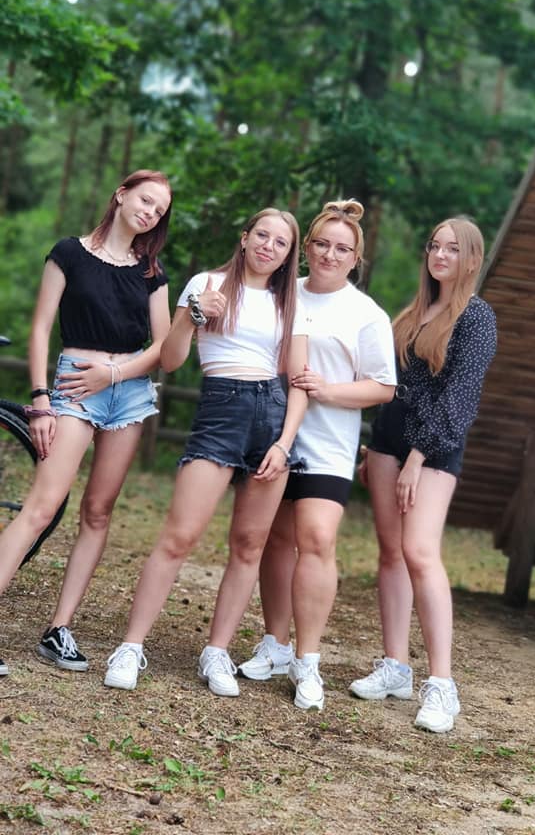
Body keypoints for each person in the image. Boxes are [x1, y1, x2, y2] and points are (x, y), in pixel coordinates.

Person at [104, 207, 309, 695]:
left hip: (273, 416)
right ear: (244, 237)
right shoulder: (207, 283)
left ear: (288, 255)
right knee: (179, 537)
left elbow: (299, 381)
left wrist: (284, 444)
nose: (269, 246)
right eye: (262, 235)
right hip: (221, 409)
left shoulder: (291, 302)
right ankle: (131, 646)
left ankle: (216, 651)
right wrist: (195, 316)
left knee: (249, 546)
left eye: (280, 243)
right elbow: (172, 359)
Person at [0, 169, 172, 678]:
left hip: (129, 392)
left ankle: (58, 629)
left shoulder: (151, 273)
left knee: (98, 513)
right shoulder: (69, 253)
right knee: (41, 507)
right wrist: (40, 400)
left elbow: (164, 349)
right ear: (121, 194)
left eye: (159, 210)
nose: (150, 213)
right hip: (75, 386)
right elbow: (40, 328)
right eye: (145, 200)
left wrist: (115, 374)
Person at [238, 200, 397, 711]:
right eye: (322, 244)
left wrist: (327, 390)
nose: (330, 254)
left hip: (327, 444)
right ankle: (275, 645)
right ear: (306, 248)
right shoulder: (283, 293)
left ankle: (308, 661)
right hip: (272, 435)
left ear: (356, 258)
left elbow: (383, 386)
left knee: (317, 539)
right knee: (275, 539)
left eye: (342, 249)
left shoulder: (366, 314)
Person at [349, 217, 497, 733]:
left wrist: (417, 457)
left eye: (452, 249)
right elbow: (389, 385)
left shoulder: (476, 317)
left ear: (471, 259)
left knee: (419, 552)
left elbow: (461, 397)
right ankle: (395, 667)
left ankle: (441, 685)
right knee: (391, 553)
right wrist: (375, 449)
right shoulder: (414, 312)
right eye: (435, 245)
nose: (440, 255)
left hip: (433, 449)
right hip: (386, 443)